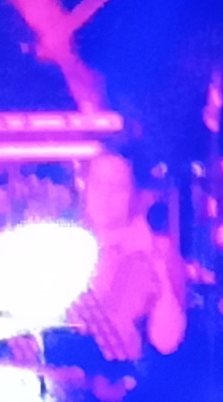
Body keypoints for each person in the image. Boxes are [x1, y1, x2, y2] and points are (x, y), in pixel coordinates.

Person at [61, 154, 192, 364]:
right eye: (97, 184)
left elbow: (167, 341)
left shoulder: (158, 252)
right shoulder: (64, 247)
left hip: (133, 379)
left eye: (117, 187)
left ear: (135, 195)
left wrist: (157, 267)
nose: (105, 196)